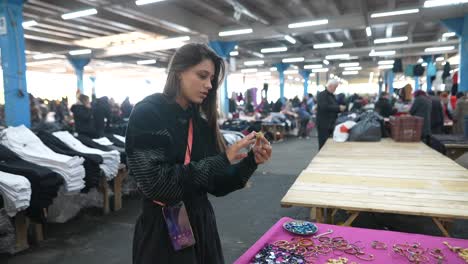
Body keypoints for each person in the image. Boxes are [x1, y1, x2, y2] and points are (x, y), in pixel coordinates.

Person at [125, 43, 272, 264]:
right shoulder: (148, 112)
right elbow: (156, 183)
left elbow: (218, 185)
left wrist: (251, 161)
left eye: (211, 79)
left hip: (201, 225)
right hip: (162, 227)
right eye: (202, 76)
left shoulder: (200, 124)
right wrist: (222, 159)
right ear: (178, 72)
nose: (208, 85)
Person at [316, 79, 345, 150]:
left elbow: (332, 106)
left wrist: (340, 109)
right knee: (323, 143)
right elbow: (324, 107)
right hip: (323, 124)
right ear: (330, 86)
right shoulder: (321, 95)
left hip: (331, 123)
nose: (335, 89)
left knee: (330, 143)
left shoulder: (332, 95)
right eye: (335, 87)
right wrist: (338, 108)